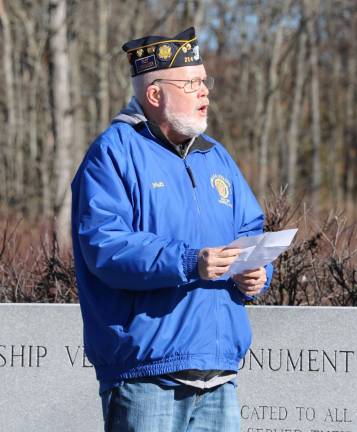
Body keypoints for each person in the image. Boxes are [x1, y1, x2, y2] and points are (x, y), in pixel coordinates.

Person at [71, 27, 273, 432]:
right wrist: (190, 261)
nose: (205, 93)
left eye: (205, 82)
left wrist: (257, 273)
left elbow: (250, 227)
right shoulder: (113, 154)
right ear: (155, 94)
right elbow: (105, 247)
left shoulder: (216, 157)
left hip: (218, 375)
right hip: (146, 377)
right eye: (192, 83)